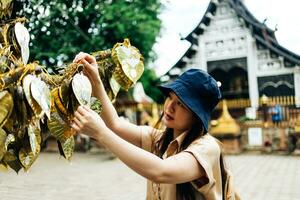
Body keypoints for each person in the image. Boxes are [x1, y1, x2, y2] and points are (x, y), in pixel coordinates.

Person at [71, 52, 228, 200]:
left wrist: (101, 133)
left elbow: (161, 171)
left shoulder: (207, 147)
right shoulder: (159, 139)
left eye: (181, 104)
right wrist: (95, 79)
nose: (169, 107)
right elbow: (116, 124)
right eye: (170, 97)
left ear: (197, 115)